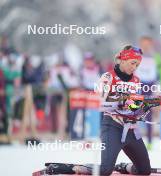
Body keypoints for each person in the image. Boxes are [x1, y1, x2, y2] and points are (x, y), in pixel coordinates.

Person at [46, 45, 151, 175]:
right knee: (105, 170)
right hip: (113, 127)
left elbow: (135, 105)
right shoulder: (108, 77)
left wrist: (141, 107)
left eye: (137, 65)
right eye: (132, 63)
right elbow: (96, 104)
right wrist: (119, 102)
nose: (134, 67)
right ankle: (72, 168)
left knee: (145, 171)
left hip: (131, 130)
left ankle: (124, 167)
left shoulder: (136, 80)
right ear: (123, 60)